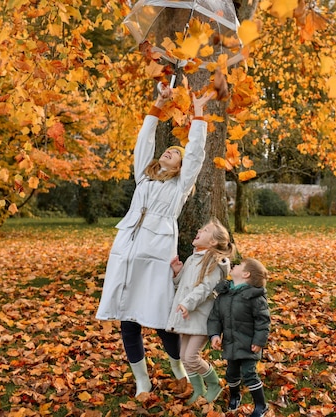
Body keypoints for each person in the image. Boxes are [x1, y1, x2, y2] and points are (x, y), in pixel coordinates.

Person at [95, 83, 215, 396]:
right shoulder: (144, 179)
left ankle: (177, 368)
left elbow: (196, 156)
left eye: (176, 153)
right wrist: (158, 104)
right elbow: (143, 144)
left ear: (179, 167)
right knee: (127, 317)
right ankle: (141, 380)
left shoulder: (179, 188)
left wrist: (198, 114)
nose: (169, 151)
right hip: (126, 250)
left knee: (162, 317)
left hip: (157, 253)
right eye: (169, 150)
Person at [165, 218, 235, 405]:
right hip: (189, 316)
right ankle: (198, 389)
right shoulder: (192, 258)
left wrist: (187, 304)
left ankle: (214, 384)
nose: (198, 229)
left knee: (191, 356)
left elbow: (205, 288)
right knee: (183, 356)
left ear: (212, 242)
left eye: (204, 230)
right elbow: (184, 285)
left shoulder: (214, 262)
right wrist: (178, 273)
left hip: (203, 317)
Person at [207, 258, 271, 417]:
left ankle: (260, 405)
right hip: (230, 343)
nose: (233, 266)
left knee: (249, 373)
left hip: (249, 344)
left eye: (238, 265)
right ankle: (235, 395)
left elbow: (263, 321)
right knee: (231, 373)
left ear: (245, 274)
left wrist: (259, 341)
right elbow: (215, 317)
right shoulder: (224, 294)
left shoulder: (254, 297)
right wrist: (215, 334)